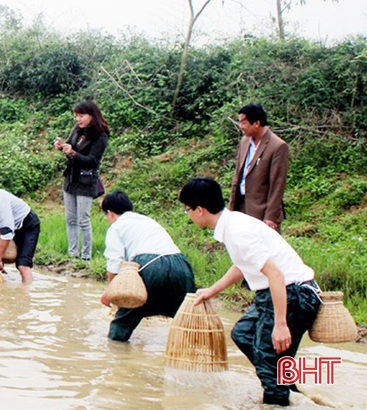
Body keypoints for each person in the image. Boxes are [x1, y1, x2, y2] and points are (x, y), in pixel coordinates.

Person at [179, 177, 321, 407]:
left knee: (266, 361)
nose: (189, 215)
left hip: (293, 295)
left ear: (199, 210)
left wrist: (281, 323)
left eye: (187, 210)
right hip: (280, 293)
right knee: (243, 334)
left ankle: (278, 394)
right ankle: (287, 389)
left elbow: (275, 275)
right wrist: (212, 291)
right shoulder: (233, 224)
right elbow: (243, 266)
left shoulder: (237, 232)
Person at [99, 190, 196, 342]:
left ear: (110, 213)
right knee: (188, 323)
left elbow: (114, 264)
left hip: (151, 266)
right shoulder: (147, 221)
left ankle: (117, 358)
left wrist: (112, 292)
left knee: (121, 327)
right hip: (181, 267)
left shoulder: (116, 227)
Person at [54, 101, 109, 260]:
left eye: (82, 115)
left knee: (83, 220)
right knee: (70, 219)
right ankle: (73, 254)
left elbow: (92, 161)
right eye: (77, 116)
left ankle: (86, 257)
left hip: (86, 181)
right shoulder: (77, 130)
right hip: (71, 178)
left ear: (92, 115)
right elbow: (71, 145)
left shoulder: (101, 135)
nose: (79, 119)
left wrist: (72, 154)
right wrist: (62, 146)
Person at [229, 103, 289, 233]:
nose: (241, 127)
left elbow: (278, 185)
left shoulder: (277, 146)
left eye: (244, 123)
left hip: (262, 212)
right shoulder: (245, 141)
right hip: (242, 208)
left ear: (256, 123)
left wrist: (270, 217)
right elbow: (238, 176)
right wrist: (231, 209)